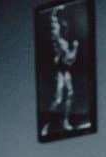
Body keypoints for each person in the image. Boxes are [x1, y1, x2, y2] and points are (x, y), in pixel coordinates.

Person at [41, 6, 79, 136]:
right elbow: (69, 58)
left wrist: (75, 48)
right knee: (58, 100)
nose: (65, 26)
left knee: (70, 94)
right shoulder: (58, 40)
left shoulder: (66, 40)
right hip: (59, 69)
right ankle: (46, 124)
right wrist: (54, 10)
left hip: (65, 69)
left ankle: (65, 121)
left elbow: (71, 60)